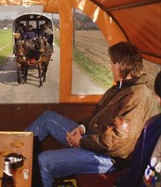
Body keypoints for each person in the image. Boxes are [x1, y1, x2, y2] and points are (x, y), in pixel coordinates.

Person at [25, 41, 158, 187]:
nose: (111, 67)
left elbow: (116, 144)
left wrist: (80, 142)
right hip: (93, 138)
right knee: (47, 118)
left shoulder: (137, 98)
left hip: (108, 157)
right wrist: (81, 128)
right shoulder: (120, 89)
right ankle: (14, 155)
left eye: (112, 64)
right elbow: (98, 117)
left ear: (119, 65)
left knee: (44, 161)